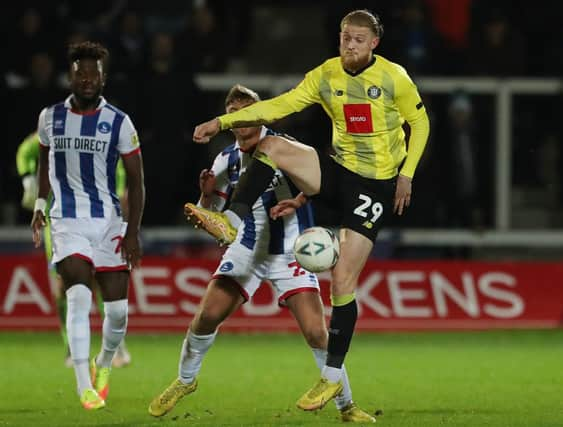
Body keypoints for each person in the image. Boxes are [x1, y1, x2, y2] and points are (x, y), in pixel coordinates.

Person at [191, 9, 430, 411]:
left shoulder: (394, 77)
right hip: (337, 170)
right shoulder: (326, 74)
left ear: (374, 43)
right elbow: (279, 106)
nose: (349, 44)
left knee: (342, 281)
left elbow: (419, 125)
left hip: (375, 183)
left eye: (357, 39)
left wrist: (406, 175)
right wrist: (222, 121)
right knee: (271, 146)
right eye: (344, 37)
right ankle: (229, 219)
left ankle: (331, 377)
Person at [148, 85, 376, 423]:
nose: (241, 117)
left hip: (291, 254)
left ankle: (346, 406)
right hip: (246, 250)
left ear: (262, 111)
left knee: (317, 333)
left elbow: (321, 186)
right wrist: (206, 197)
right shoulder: (225, 159)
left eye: (247, 108)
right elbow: (211, 217)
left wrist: (298, 201)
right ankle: (185, 381)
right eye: (234, 110)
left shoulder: (284, 147)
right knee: (205, 318)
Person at [30, 41, 145, 410]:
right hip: (67, 223)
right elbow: (44, 165)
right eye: (80, 73)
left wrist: (132, 232)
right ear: (71, 76)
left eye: (93, 74)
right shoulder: (49, 118)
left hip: (108, 223)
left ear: (103, 78)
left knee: (117, 314)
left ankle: (104, 362)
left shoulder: (120, 122)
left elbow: (137, 181)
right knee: (77, 296)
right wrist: (39, 205)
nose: (87, 80)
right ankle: (84, 385)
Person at [17, 131, 132, 368]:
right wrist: (28, 177)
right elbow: (25, 150)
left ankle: (116, 345)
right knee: (61, 288)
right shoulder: (56, 133)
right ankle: (71, 347)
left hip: (97, 220)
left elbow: (120, 185)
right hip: (59, 222)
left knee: (101, 282)